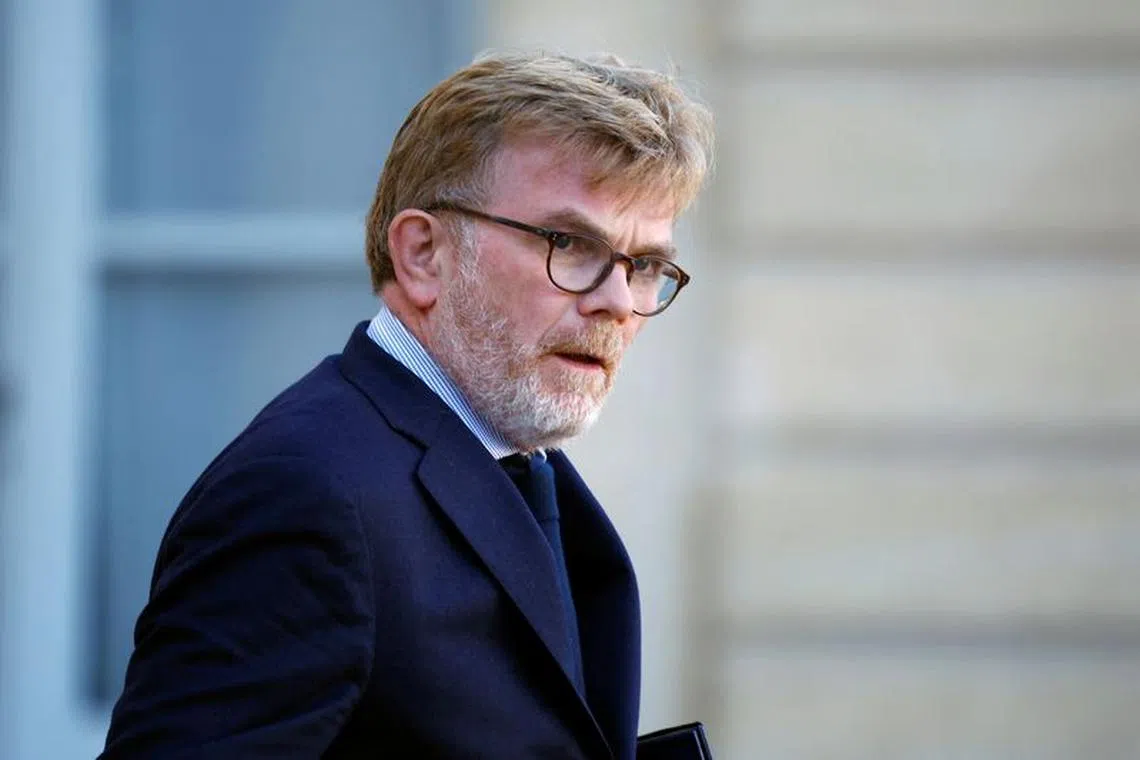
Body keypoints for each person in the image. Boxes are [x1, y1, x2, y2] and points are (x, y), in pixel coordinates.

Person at [101, 50, 713, 759]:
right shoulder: (308, 493)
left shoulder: (519, 462)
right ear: (423, 253)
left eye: (643, 265)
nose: (616, 303)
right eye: (569, 243)